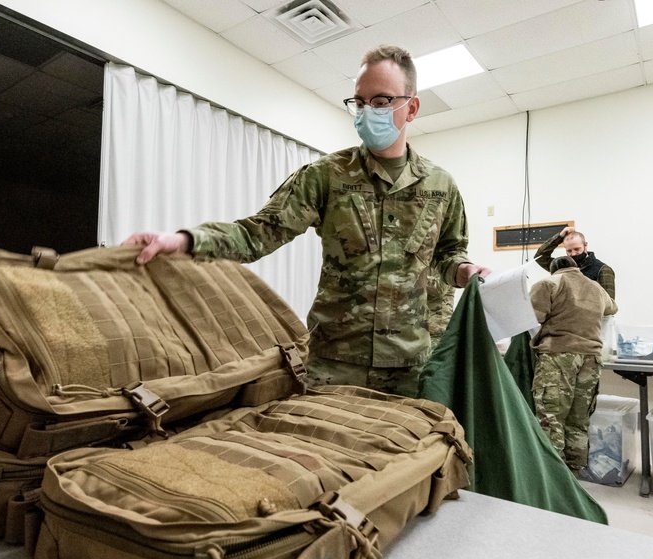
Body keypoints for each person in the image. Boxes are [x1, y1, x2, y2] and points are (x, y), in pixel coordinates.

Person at [124, 45, 490, 398]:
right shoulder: (326, 176)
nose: (367, 112)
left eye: (380, 101)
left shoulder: (441, 186)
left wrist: (464, 271)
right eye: (359, 102)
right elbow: (259, 233)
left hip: (410, 365)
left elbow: (448, 253)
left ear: (411, 108)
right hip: (334, 361)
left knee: (404, 457)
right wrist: (187, 240)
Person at [530, 255, 618, 472]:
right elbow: (612, 308)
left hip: (559, 355)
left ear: (553, 269)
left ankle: (553, 478)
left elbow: (534, 317)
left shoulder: (548, 283)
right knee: (578, 422)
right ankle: (574, 477)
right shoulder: (596, 288)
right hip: (591, 359)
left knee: (551, 418)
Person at [534, 227, 615, 299]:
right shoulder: (561, 266)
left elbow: (610, 305)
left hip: (590, 315)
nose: (573, 254)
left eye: (577, 249)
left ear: (585, 245)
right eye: (569, 251)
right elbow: (540, 257)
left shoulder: (603, 270)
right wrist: (559, 237)